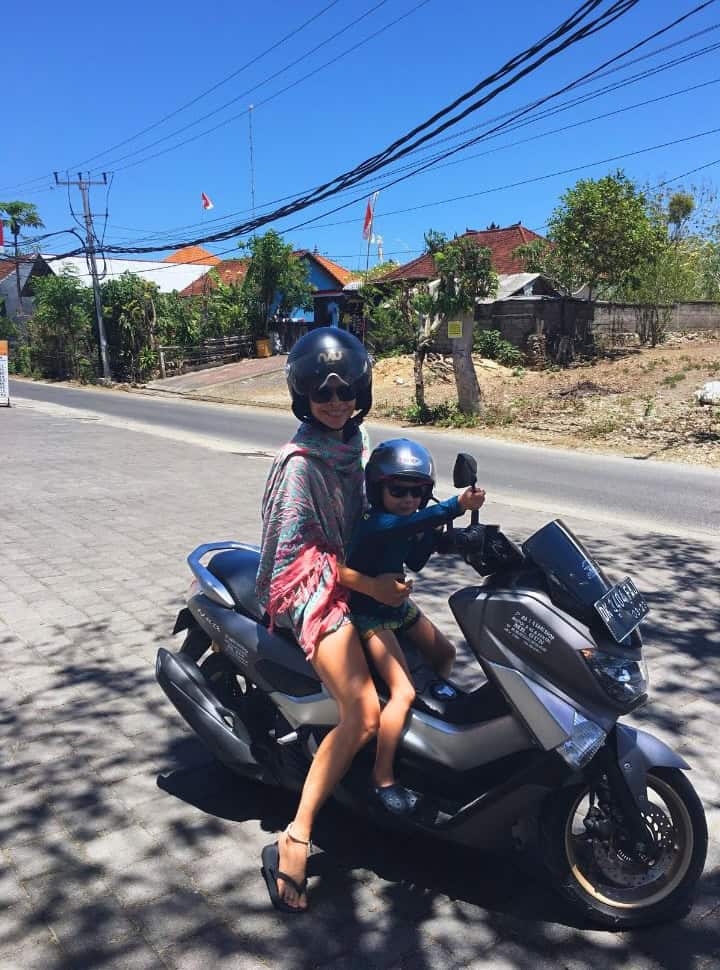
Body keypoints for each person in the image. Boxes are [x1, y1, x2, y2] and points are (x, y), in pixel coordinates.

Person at [255, 327, 410, 914]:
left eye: (346, 392)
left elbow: (374, 509)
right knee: (364, 711)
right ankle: (294, 837)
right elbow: (298, 557)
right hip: (312, 589)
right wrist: (367, 583)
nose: (337, 402)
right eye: (324, 394)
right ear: (303, 397)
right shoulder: (298, 464)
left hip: (353, 573)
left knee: (432, 656)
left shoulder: (356, 441)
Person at [347, 439, 486, 814]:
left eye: (418, 492)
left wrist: (457, 540)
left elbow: (417, 555)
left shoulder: (404, 523)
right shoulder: (377, 522)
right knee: (403, 692)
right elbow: (412, 523)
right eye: (399, 490)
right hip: (369, 615)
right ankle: (383, 776)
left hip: (397, 607)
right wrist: (455, 506)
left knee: (445, 652)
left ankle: (420, 729)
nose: (409, 499)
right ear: (378, 489)